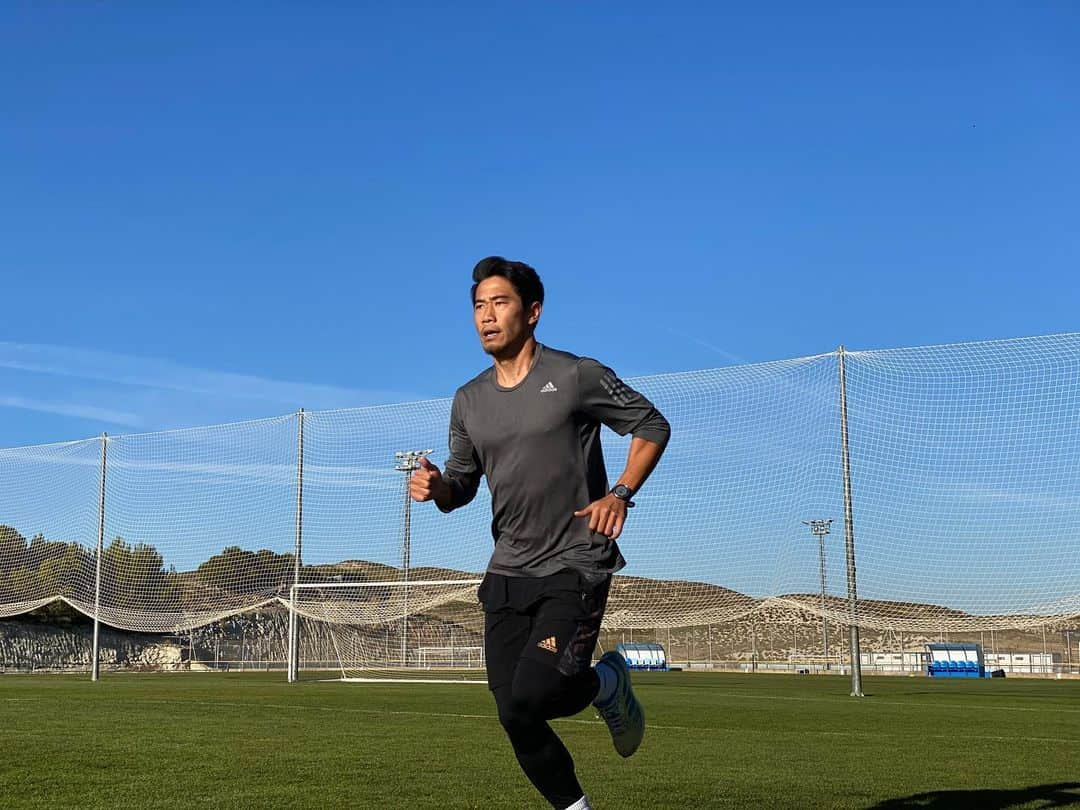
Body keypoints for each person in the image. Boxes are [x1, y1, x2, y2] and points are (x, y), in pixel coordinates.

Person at [410, 256, 670, 810]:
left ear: (532, 312)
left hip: (575, 560)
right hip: (509, 571)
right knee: (514, 711)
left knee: (537, 691)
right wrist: (437, 488)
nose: (486, 315)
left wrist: (619, 492)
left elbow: (652, 424)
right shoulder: (468, 400)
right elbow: (462, 486)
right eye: (478, 305)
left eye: (499, 303)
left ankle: (604, 684)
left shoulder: (576, 376)